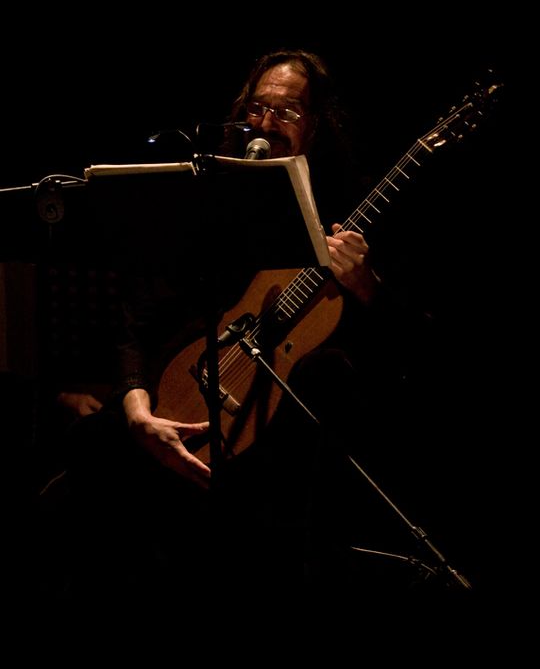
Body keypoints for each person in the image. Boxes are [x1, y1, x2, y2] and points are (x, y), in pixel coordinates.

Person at [36, 49, 443, 609]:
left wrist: (366, 286)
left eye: (288, 111)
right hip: (172, 403)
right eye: (257, 108)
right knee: (81, 476)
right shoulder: (208, 202)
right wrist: (136, 410)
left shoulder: (351, 211)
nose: (267, 123)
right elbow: (137, 317)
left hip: (276, 462)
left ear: (317, 125)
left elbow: (418, 351)